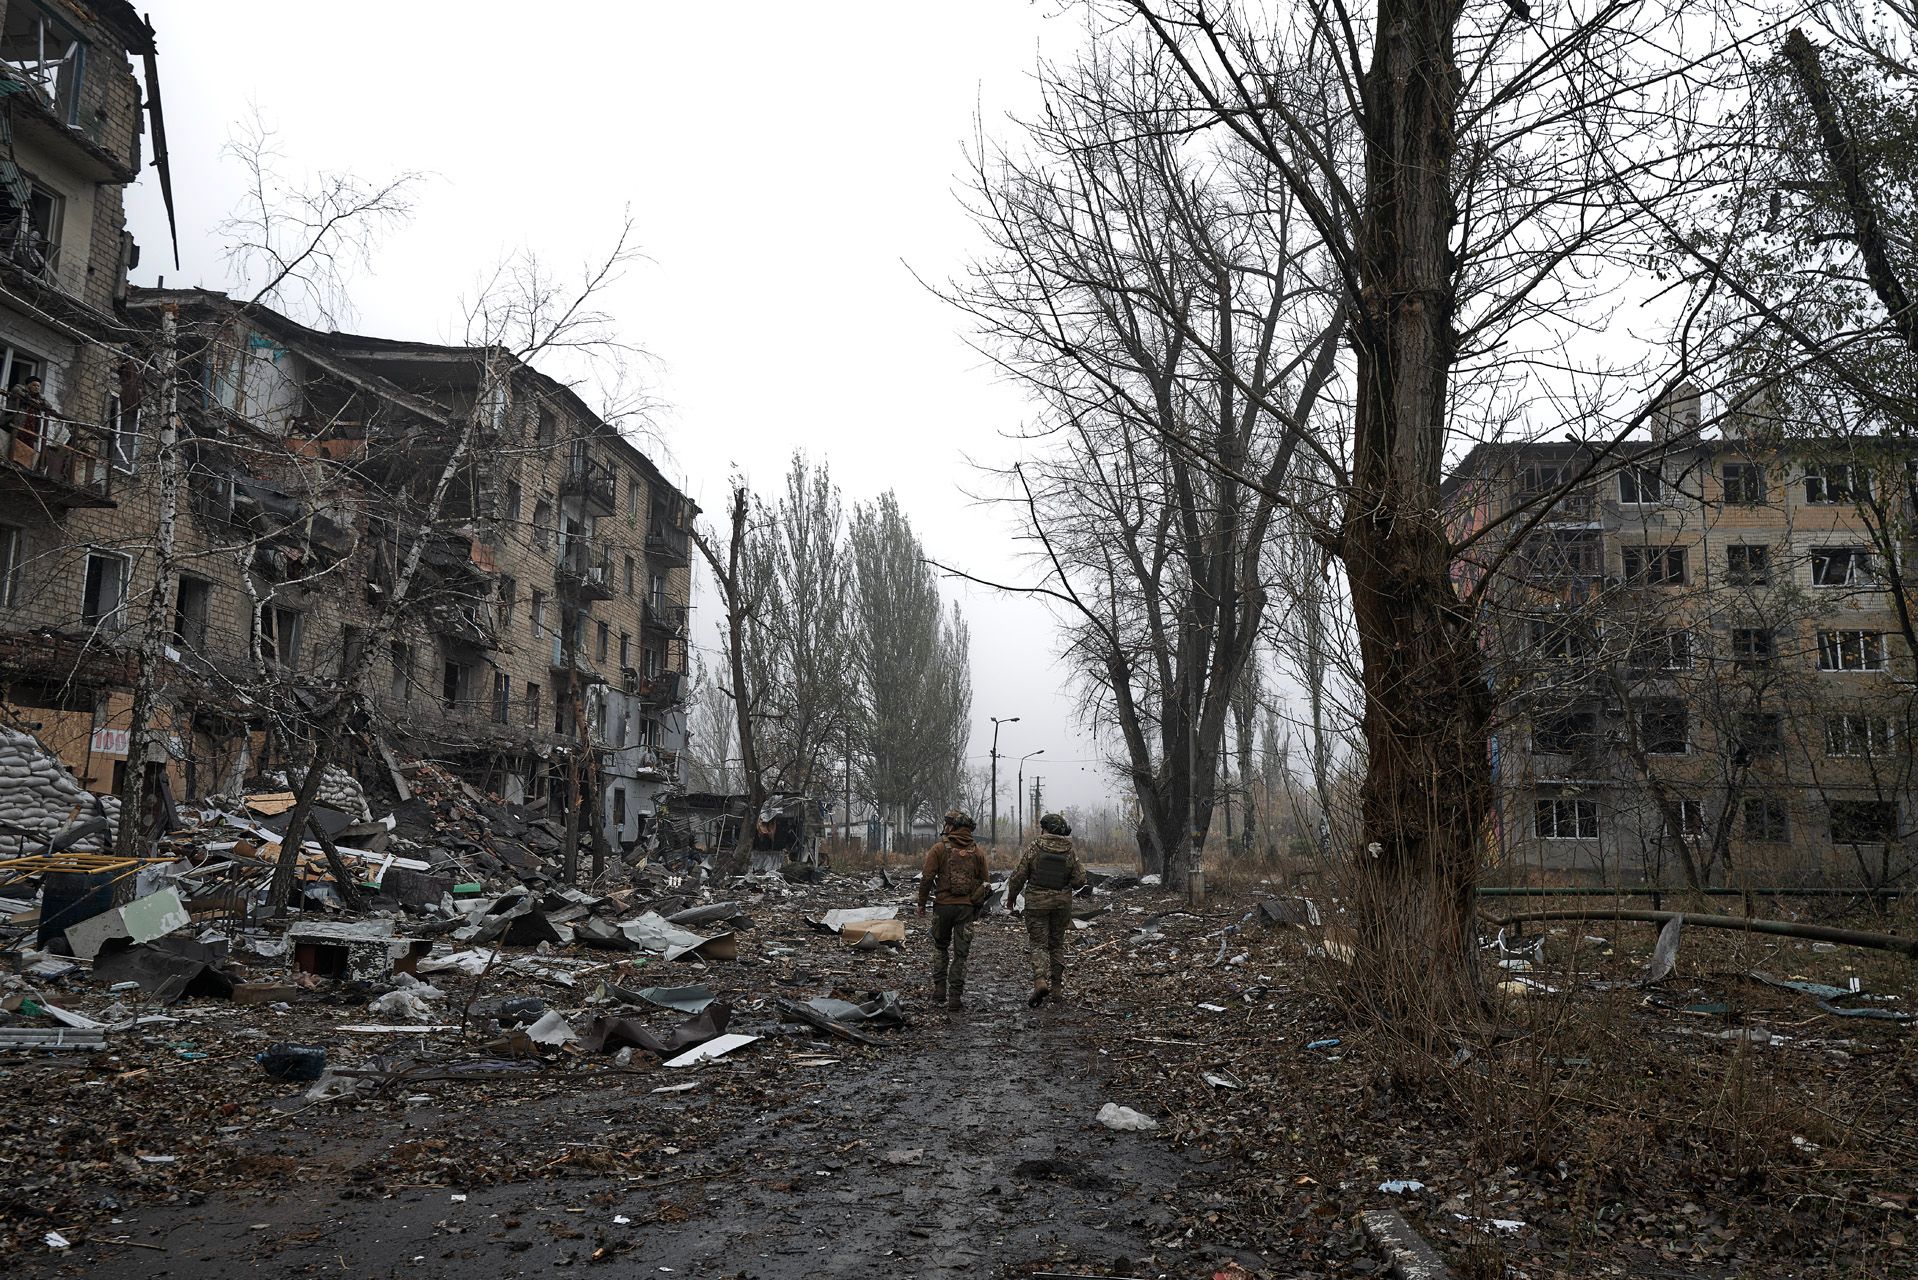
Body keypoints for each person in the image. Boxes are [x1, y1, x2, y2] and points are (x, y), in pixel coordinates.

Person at [1006, 812, 1086, 1007]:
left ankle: (1040, 981)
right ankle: (1057, 989)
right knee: (1056, 944)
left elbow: (1018, 875)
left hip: (1037, 904)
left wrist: (1011, 898)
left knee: (1038, 944)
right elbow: (1079, 880)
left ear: (1045, 829)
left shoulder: (1035, 846)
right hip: (1061, 905)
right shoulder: (1069, 851)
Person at [915, 809, 988, 1011]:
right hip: (966, 909)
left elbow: (927, 877)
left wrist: (921, 903)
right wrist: (976, 905)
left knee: (940, 948)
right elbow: (985, 883)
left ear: (952, 827)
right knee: (961, 955)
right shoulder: (978, 852)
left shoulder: (939, 848)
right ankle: (955, 998)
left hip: (943, 907)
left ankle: (940, 990)